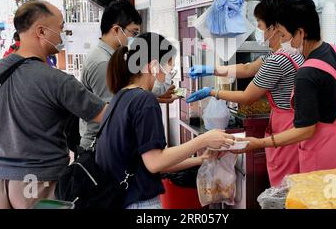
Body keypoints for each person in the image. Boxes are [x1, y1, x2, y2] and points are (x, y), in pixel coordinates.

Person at [0, 0, 108, 209]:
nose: (63, 35)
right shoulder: (56, 80)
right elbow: (106, 115)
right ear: (41, 31)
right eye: (60, 28)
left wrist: (12, 137)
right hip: (41, 181)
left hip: (0, 181)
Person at [96, 32, 235, 209]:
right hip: (139, 203)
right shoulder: (144, 100)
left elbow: (150, 162)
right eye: (169, 68)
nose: (169, 75)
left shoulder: (121, 97)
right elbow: (155, 163)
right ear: (153, 66)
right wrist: (204, 140)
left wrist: (201, 159)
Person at [233, 0, 336, 173]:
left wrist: (260, 143)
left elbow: (305, 131)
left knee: (321, 201)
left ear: (300, 33)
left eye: (284, 35)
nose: (282, 40)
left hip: (326, 159)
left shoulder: (306, 72)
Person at [187, 0, 305, 186]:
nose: (258, 28)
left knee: (285, 185)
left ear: (275, 27)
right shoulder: (285, 53)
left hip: (286, 126)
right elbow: (248, 68)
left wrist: (212, 92)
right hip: (291, 124)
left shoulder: (278, 60)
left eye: (259, 23)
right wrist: (212, 69)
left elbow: (247, 97)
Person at [80, 0, 177, 149]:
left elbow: (121, 101)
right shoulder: (103, 62)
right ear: (116, 30)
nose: (135, 39)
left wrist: (154, 98)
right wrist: (150, 100)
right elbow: (114, 110)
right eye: (134, 32)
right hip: (100, 145)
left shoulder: (112, 58)